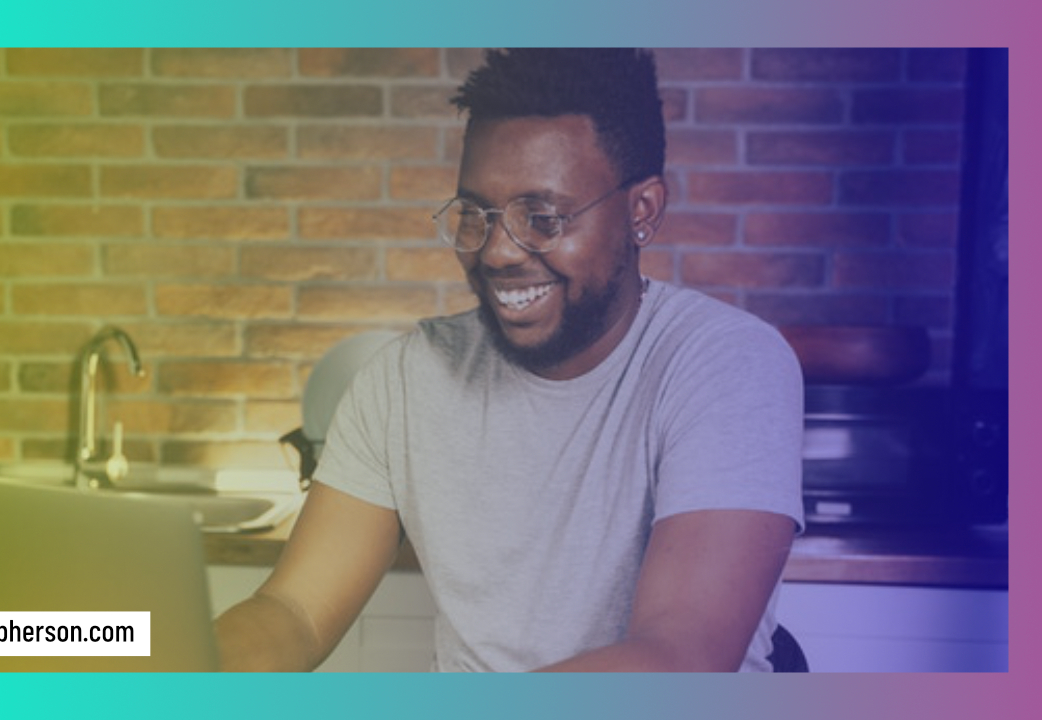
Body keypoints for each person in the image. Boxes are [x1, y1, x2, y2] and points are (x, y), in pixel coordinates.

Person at [215, 48, 803, 672]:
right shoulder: (407, 378)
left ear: (642, 211)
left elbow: (679, 657)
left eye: (542, 219)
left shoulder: (726, 364)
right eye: (477, 215)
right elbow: (295, 612)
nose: (497, 252)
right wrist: (152, 653)